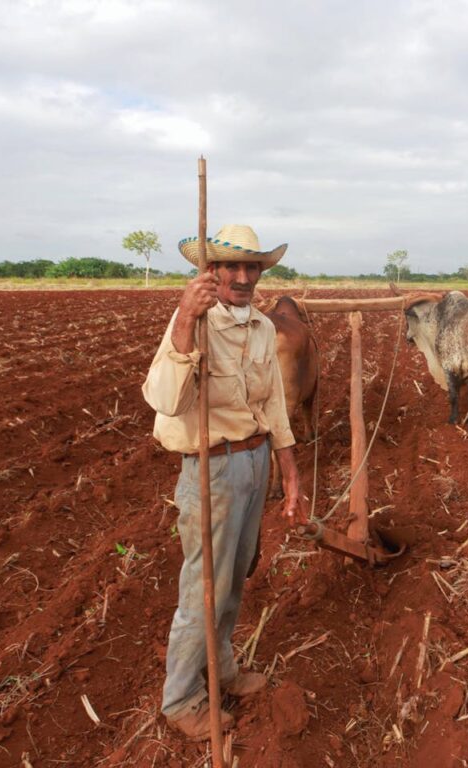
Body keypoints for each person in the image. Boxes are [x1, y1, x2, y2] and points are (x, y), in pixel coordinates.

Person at [142, 223, 305, 741]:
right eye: (230, 267)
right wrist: (188, 319)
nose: (241, 276)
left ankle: (223, 667)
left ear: (260, 273)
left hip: (255, 465)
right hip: (211, 469)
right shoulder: (191, 321)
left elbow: (275, 408)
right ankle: (181, 697)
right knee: (203, 588)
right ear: (210, 272)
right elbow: (165, 399)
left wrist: (292, 477)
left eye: (250, 267)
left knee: (235, 577)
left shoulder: (260, 327)